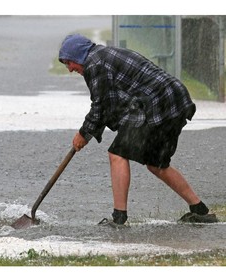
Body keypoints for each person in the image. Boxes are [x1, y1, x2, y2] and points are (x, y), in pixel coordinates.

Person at [58, 34, 218, 226]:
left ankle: (119, 219)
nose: (69, 69)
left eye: (69, 63)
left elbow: (100, 106)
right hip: (172, 101)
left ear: (78, 56)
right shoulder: (100, 57)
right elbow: (110, 104)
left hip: (158, 104)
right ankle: (200, 210)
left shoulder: (94, 64)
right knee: (157, 163)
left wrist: (83, 134)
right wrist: (89, 133)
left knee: (117, 154)